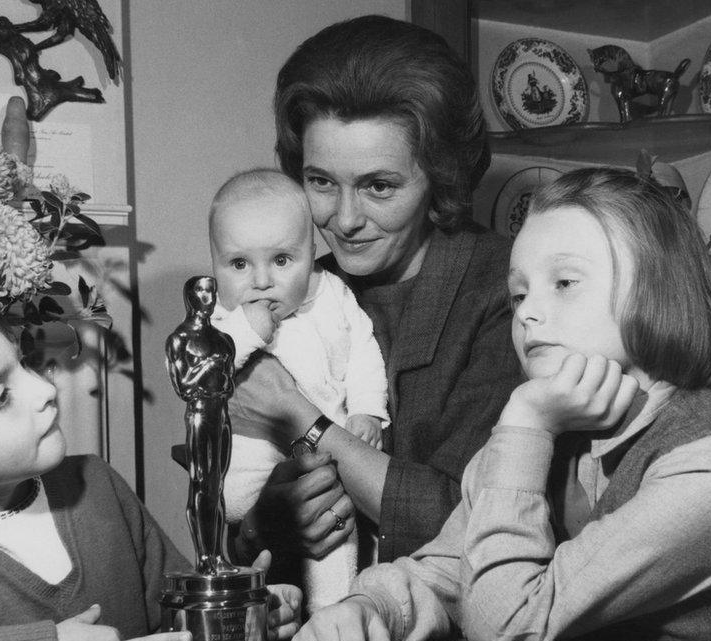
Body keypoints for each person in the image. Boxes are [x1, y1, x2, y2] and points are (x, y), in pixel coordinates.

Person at [289, 167, 711, 641]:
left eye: (565, 283)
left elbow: (505, 617)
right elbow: (451, 573)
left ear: (657, 293)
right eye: (519, 291)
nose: (526, 312)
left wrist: (525, 424)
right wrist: (369, 607)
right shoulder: (541, 439)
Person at [225, 15, 524, 586]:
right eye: (320, 182)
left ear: (440, 175)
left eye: (378, 186)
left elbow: (467, 522)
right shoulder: (298, 293)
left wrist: (300, 419)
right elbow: (234, 530)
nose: (344, 219)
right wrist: (271, 521)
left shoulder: (508, 290)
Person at [0, 288, 301, 641]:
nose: (45, 388)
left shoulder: (96, 485)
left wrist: (229, 619)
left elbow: (171, 628)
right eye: (2, 397)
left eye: (23, 363)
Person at [208, 168, 388, 611]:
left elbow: (365, 353)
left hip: (326, 452)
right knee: (231, 507)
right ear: (214, 264)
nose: (261, 280)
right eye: (238, 264)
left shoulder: (334, 296)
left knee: (333, 530)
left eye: (282, 261)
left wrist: (368, 410)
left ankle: (333, 613)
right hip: (253, 456)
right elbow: (209, 368)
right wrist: (247, 331)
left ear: (311, 255)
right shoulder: (222, 316)